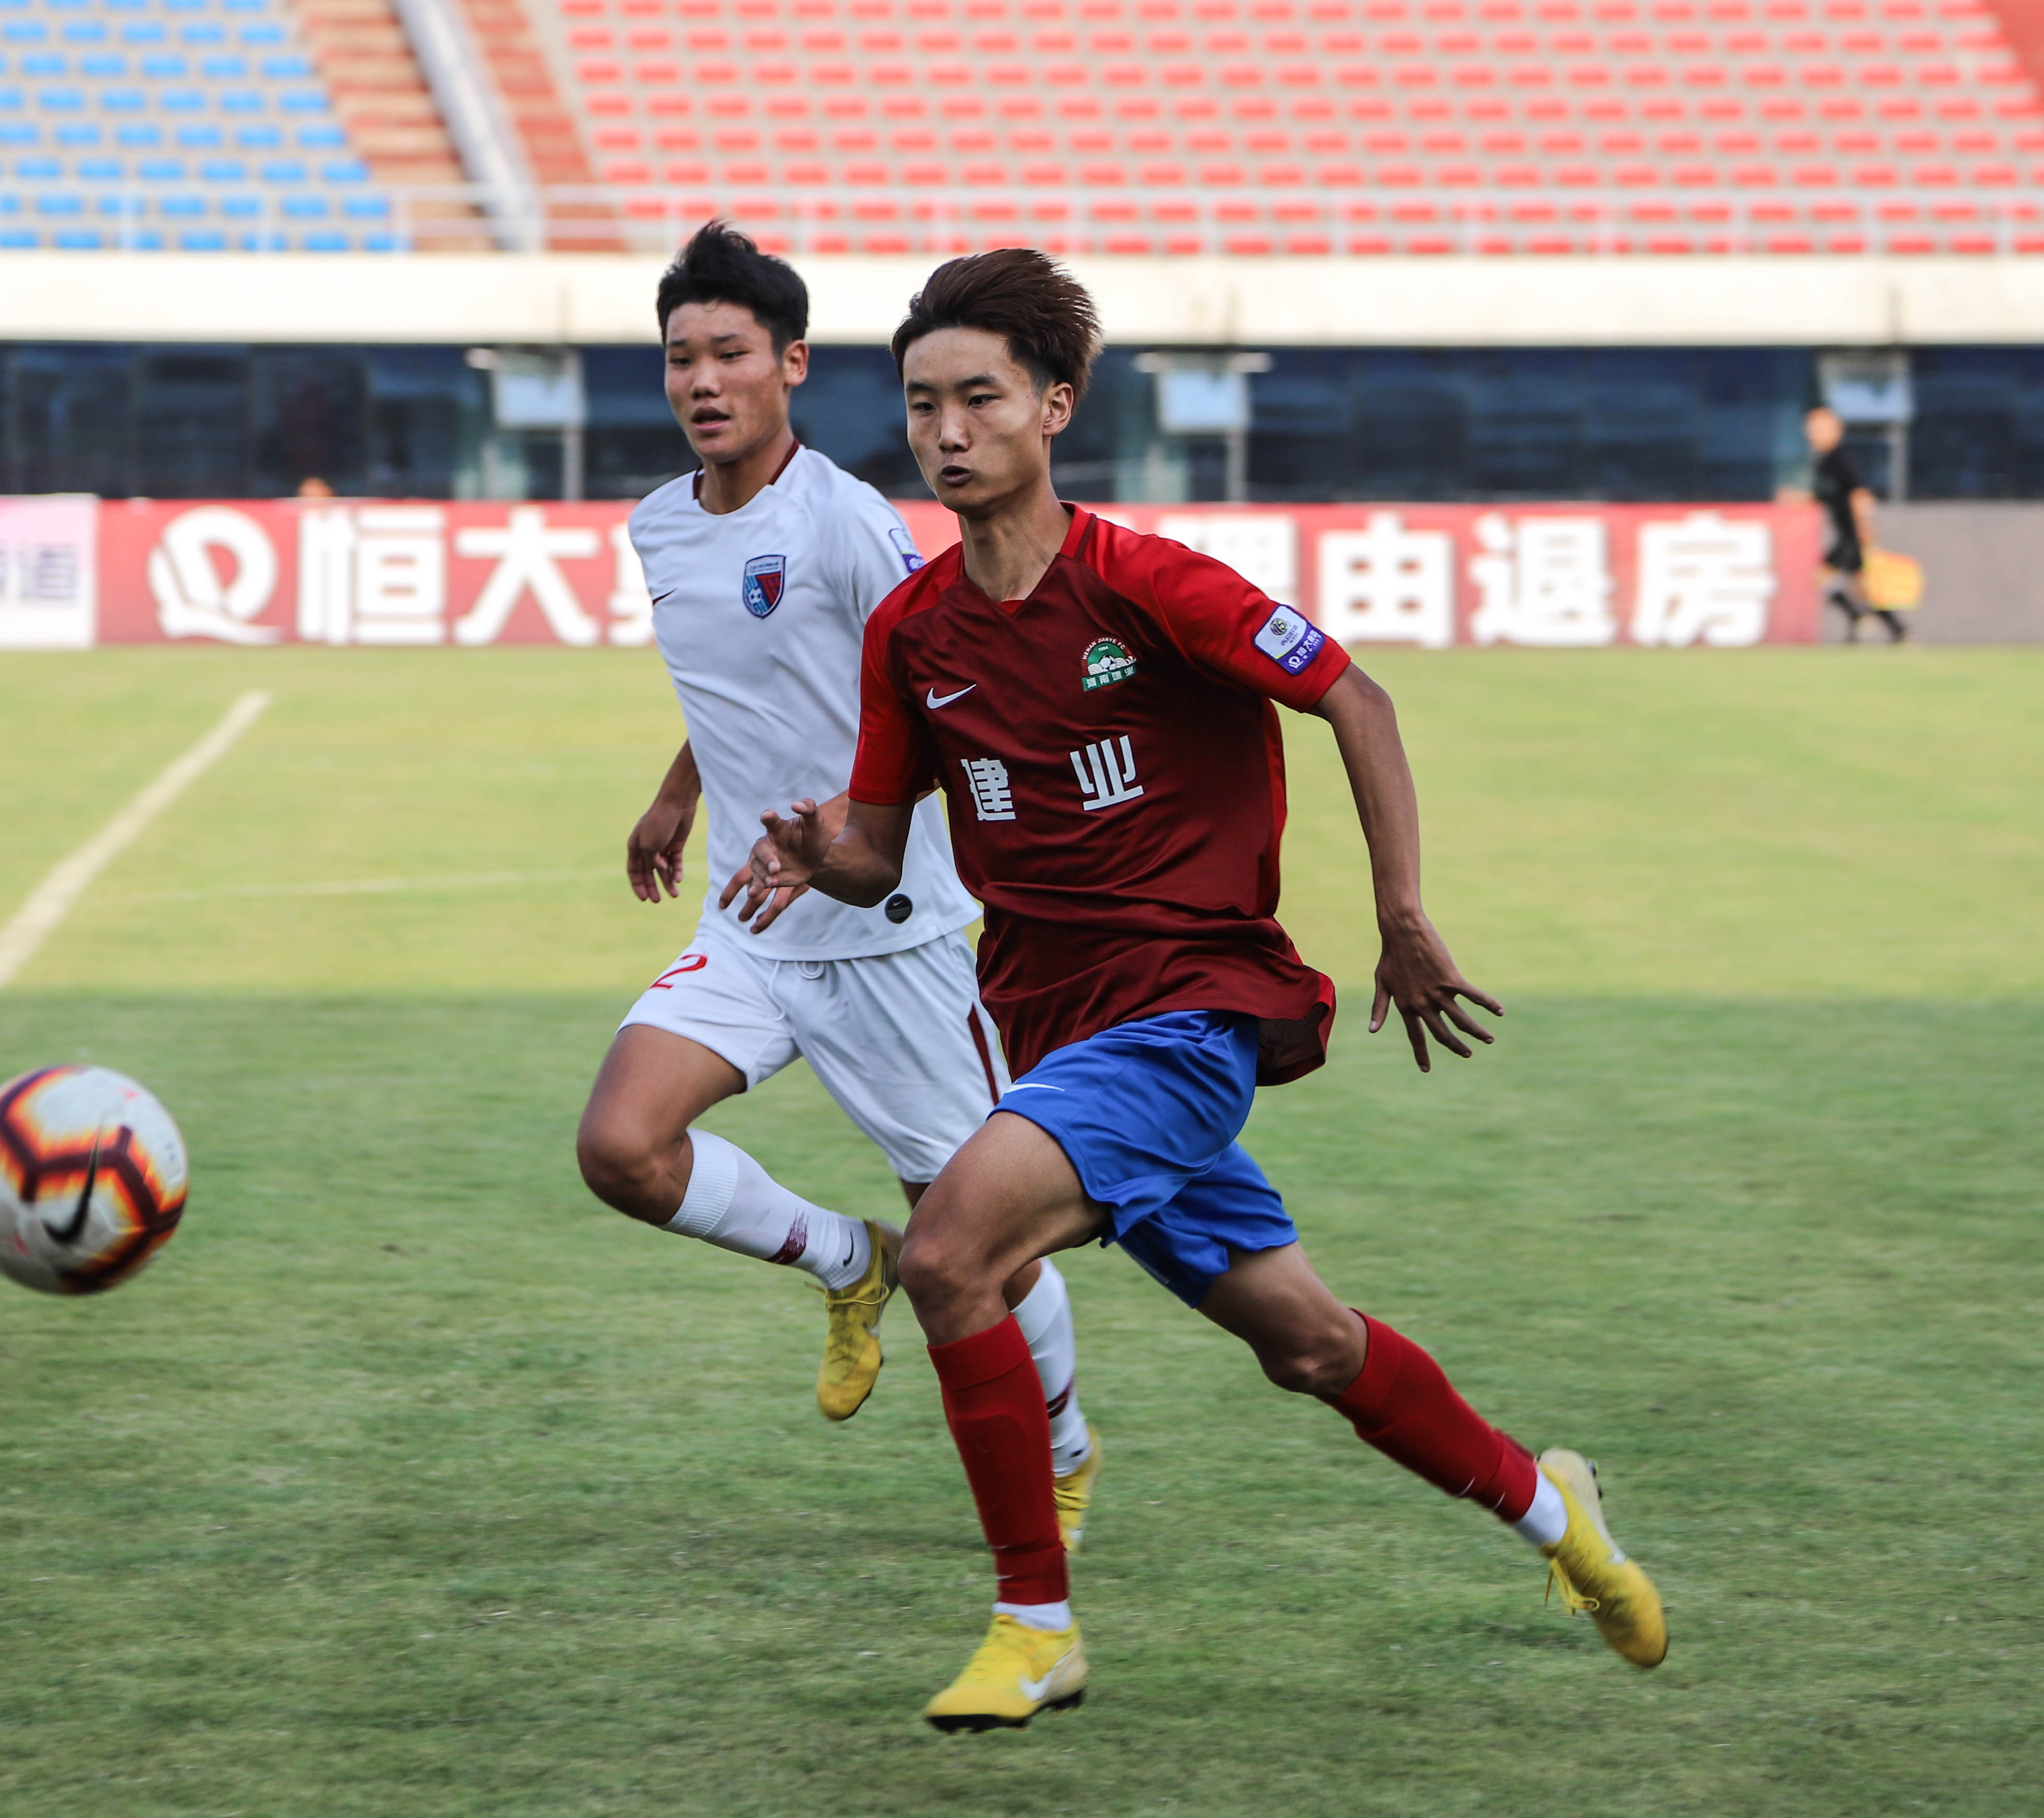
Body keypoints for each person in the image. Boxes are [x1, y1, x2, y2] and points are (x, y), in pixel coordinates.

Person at [734, 249, 1670, 1732]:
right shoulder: (911, 632)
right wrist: (814, 849)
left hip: (1187, 1011)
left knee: (946, 1253)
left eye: (978, 397)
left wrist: (1401, 916)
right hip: (1053, 1040)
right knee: (1305, 1341)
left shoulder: (1146, 582)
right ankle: (1557, 1516)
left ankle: (1031, 1623)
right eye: (921, 405)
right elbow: (873, 848)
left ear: (1053, 406)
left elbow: (1350, 693)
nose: (945, 431)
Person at [574, 224, 1102, 1546]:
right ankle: (839, 1259)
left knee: (979, 1235)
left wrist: (846, 826)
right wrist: (675, 794)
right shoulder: (655, 526)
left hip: (891, 934)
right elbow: (741, 683)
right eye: (679, 358)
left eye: (730, 355)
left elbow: (935, 685)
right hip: (750, 928)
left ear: (789, 365)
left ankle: (1068, 1448)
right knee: (622, 1149)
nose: (702, 380)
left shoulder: (845, 520)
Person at [1806, 406, 1905, 643]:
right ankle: (1897, 630)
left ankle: (1859, 619)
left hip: (1851, 535)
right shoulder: (1824, 462)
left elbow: (1860, 494)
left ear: (1836, 429)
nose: (1813, 434)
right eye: (1811, 429)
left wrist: (1865, 525)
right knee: (1862, 589)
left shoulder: (1842, 458)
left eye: (1819, 428)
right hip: (1844, 534)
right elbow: (1824, 497)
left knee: (1823, 578)